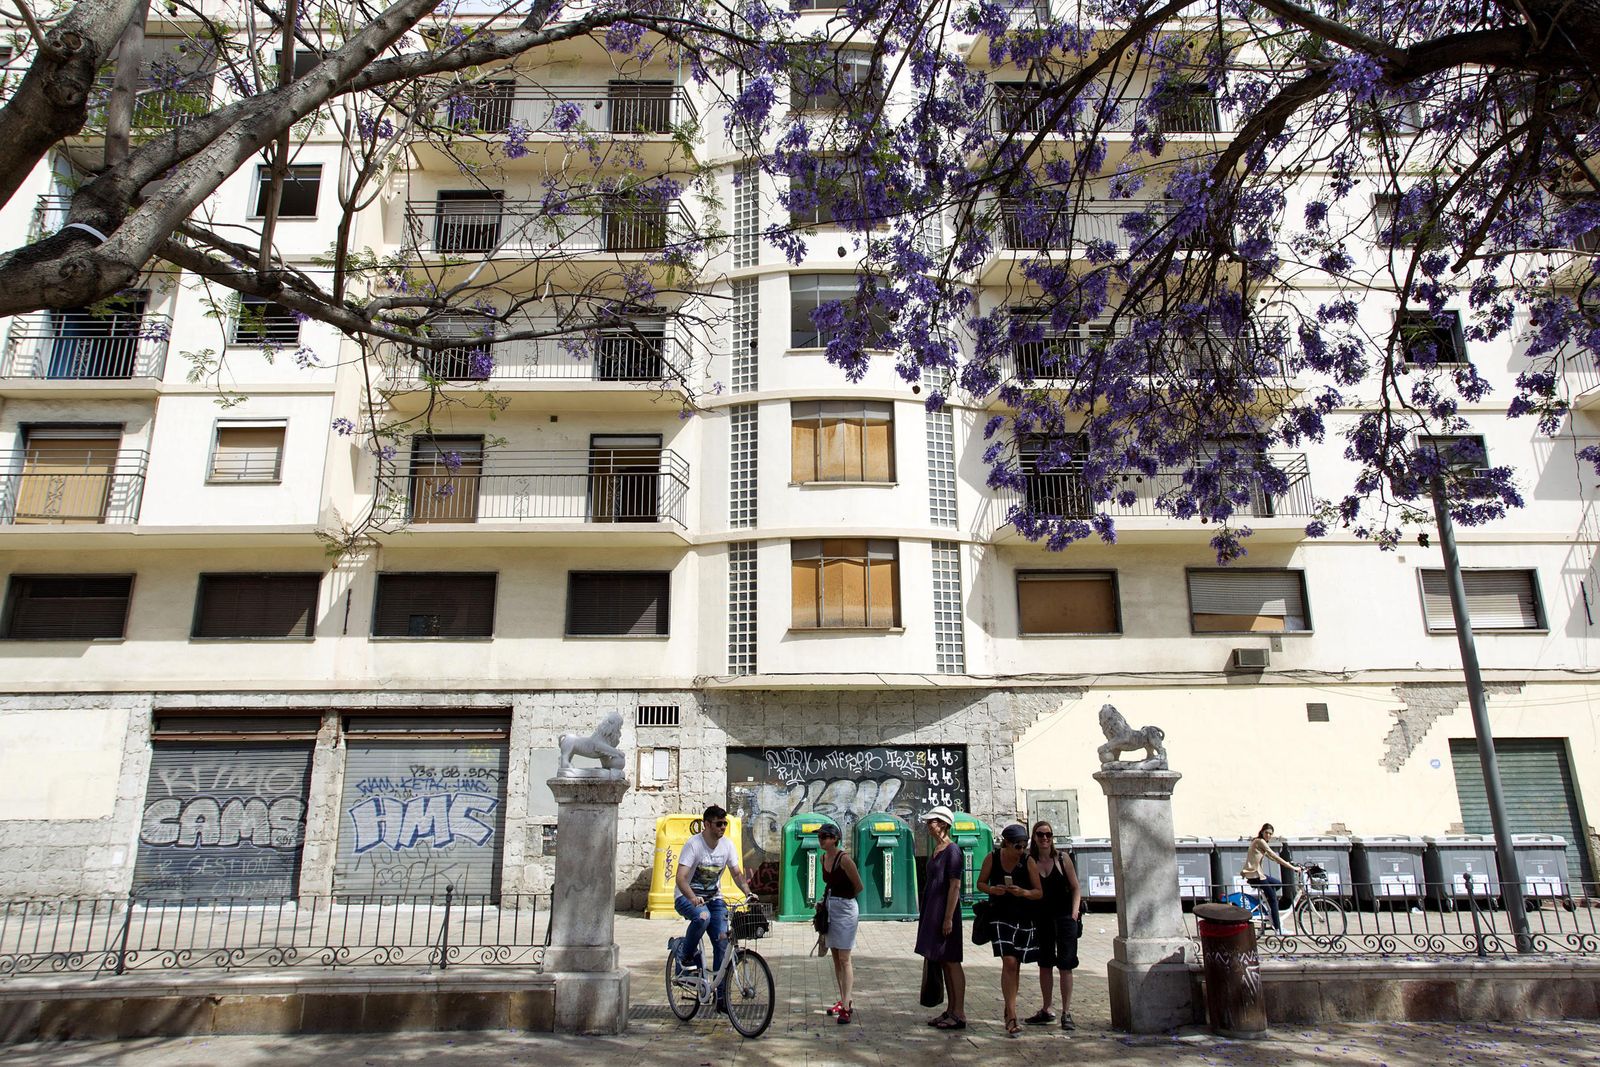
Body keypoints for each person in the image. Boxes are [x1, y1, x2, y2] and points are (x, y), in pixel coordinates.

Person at [674, 804, 758, 1011]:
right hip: (687, 897)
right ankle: (684, 954)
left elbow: (737, 873)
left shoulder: (727, 846)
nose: (722, 828)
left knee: (723, 942)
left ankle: (721, 999)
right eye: (719, 824)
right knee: (703, 917)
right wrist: (693, 898)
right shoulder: (694, 845)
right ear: (707, 824)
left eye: (725, 824)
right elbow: (681, 878)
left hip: (714, 898)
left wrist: (748, 892)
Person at [977, 822, 1043, 1038]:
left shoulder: (1028, 861)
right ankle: (1012, 1015)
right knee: (1009, 961)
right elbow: (980, 883)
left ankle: (1009, 1006)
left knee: (1016, 965)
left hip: (1022, 916)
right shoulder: (993, 858)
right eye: (1017, 846)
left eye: (1023, 845)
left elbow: (1038, 893)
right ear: (1006, 842)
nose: (1021, 850)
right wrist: (993, 889)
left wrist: (1023, 892)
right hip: (999, 915)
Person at [1023, 819, 1082, 1031]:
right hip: (1043, 918)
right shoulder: (1030, 860)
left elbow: (1075, 887)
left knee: (1066, 964)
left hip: (1065, 917)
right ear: (1034, 837)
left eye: (1048, 834)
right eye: (1040, 834)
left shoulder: (1062, 858)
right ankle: (1047, 1008)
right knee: (1045, 963)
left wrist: (1074, 913)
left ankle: (1066, 1012)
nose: (1045, 838)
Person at [914, 804, 967, 1031]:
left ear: (943, 824)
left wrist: (948, 918)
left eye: (931, 822)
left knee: (952, 960)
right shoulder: (936, 849)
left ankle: (959, 1012)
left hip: (945, 912)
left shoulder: (952, 851)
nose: (928, 826)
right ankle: (950, 1009)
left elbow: (954, 885)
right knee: (942, 961)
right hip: (932, 911)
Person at [816, 822, 864, 1024]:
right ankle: (845, 998)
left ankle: (846, 1006)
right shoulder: (822, 858)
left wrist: (842, 897)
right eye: (820, 837)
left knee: (845, 957)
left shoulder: (844, 859)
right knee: (835, 955)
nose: (821, 840)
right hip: (831, 907)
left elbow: (858, 886)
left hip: (845, 908)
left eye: (825, 836)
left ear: (835, 838)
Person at [1241, 822, 1302, 933]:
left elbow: (1271, 857)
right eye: (1266, 833)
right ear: (1262, 832)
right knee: (1273, 899)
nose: (1268, 835)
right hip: (1255, 874)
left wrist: (1289, 863)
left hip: (1258, 874)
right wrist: (1292, 867)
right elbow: (1273, 854)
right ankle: (1278, 928)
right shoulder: (1260, 841)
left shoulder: (1258, 842)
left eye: (1270, 834)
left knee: (1277, 883)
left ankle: (1268, 907)